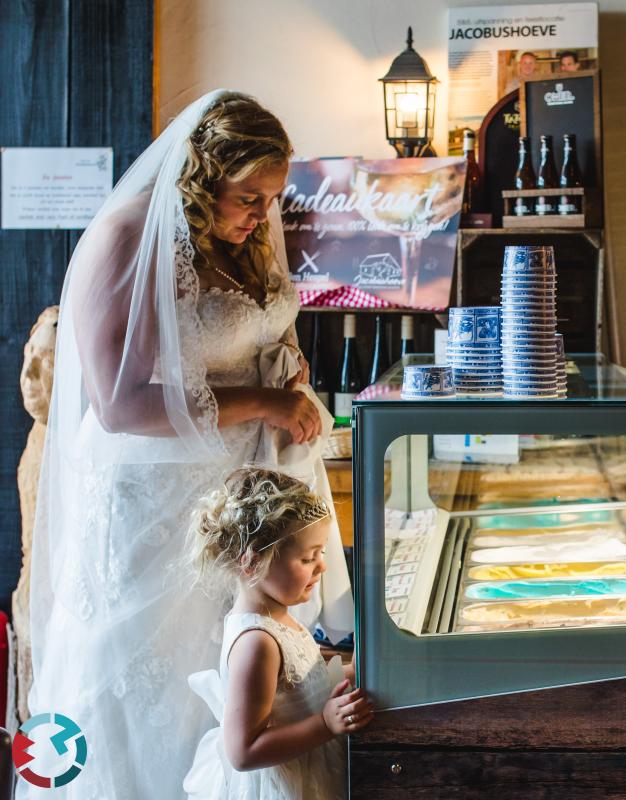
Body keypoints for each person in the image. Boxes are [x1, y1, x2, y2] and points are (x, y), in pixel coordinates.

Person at [23, 90, 353, 799]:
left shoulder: (243, 234)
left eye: (271, 196)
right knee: (147, 682)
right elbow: (118, 404)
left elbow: (258, 327)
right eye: (248, 196)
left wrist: (284, 366)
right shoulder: (128, 237)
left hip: (234, 498)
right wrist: (264, 400)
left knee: (233, 670)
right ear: (203, 176)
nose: (262, 214)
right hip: (150, 506)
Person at [183, 467, 374, 799]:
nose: (322, 566)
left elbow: (298, 687)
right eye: (308, 557)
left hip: (311, 762)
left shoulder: (276, 615)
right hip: (290, 782)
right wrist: (325, 725)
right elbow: (243, 752)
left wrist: (354, 671)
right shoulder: (256, 643)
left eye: (322, 554)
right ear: (253, 562)